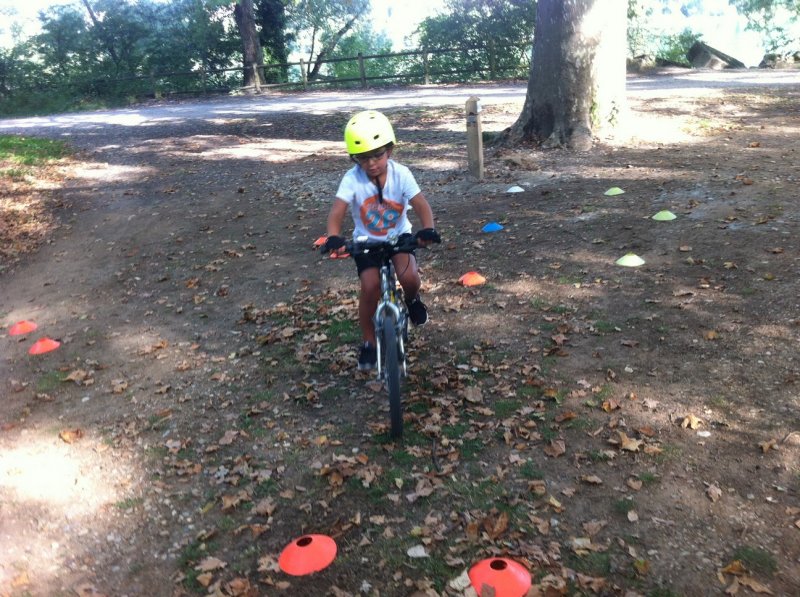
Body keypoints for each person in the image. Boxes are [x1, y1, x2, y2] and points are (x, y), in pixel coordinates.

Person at [323, 110, 441, 371]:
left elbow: (420, 204)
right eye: (363, 158)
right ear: (354, 158)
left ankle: (412, 301)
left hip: (398, 236)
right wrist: (333, 237)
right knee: (370, 287)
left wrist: (427, 229)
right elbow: (337, 212)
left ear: (390, 150)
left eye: (378, 154)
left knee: (409, 277)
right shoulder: (351, 179)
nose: (372, 163)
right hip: (366, 241)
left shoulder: (402, 174)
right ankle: (368, 342)